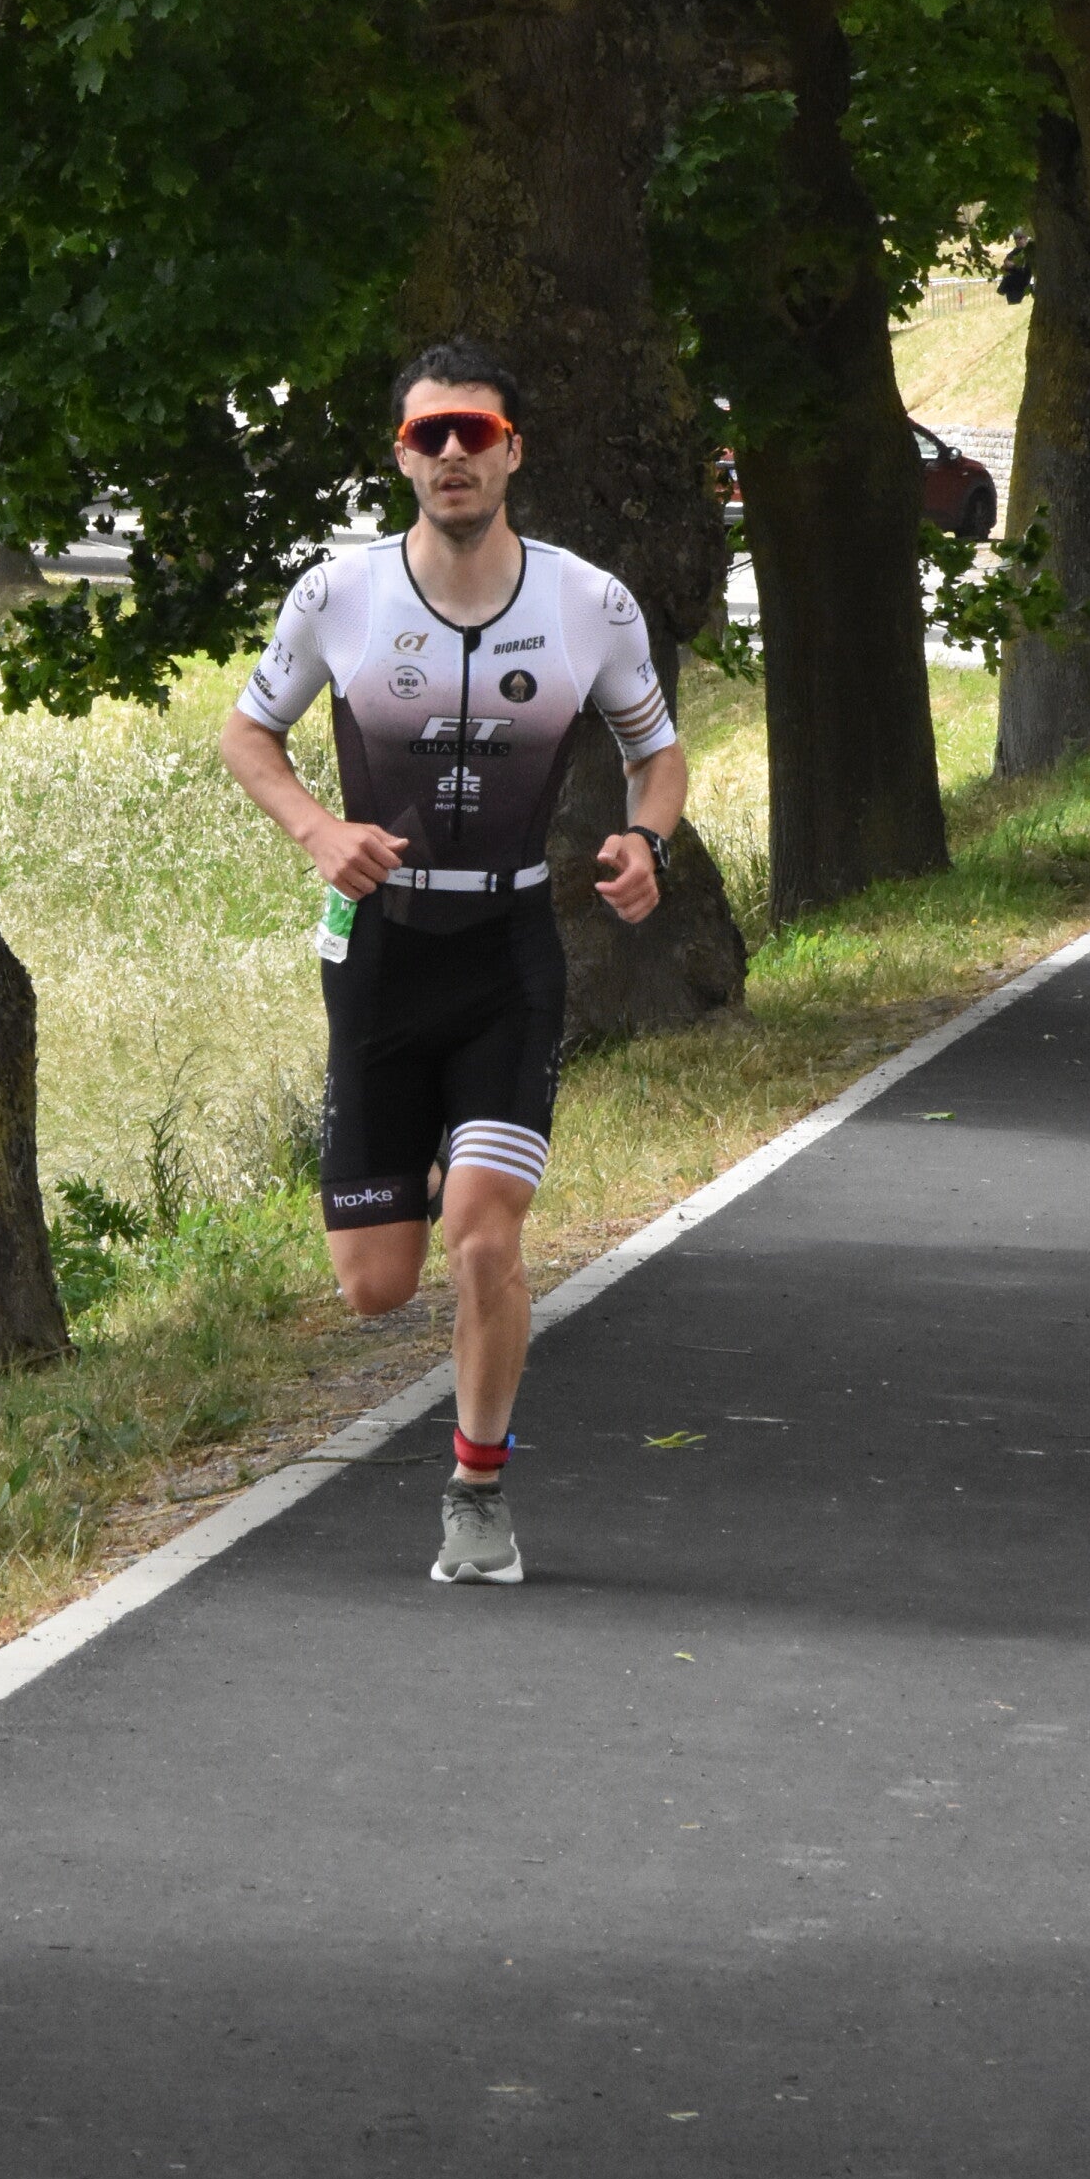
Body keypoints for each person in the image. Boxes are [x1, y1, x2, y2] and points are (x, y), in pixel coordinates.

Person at [220, 339, 687, 1586]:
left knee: (486, 1237)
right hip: (379, 956)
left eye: (474, 433)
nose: (452, 456)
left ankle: (478, 1497)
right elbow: (248, 733)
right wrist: (320, 831)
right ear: (401, 457)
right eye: (428, 437)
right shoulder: (339, 595)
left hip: (509, 948)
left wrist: (645, 842)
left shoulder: (591, 602)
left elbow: (659, 755)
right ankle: (434, 1142)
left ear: (513, 449)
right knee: (379, 1287)